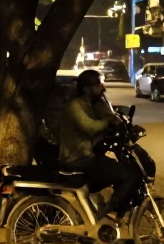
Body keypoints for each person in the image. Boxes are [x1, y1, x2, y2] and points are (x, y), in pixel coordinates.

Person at [57, 70, 135, 223]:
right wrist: (109, 122)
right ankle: (111, 214)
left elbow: (108, 117)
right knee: (126, 174)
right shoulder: (75, 106)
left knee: (117, 171)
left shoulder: (93, 104)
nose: (103, 87)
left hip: (87, 156)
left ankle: (99, 214)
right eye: (98, 84)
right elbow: (90, 127)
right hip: (76, 158)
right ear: (87, 88)